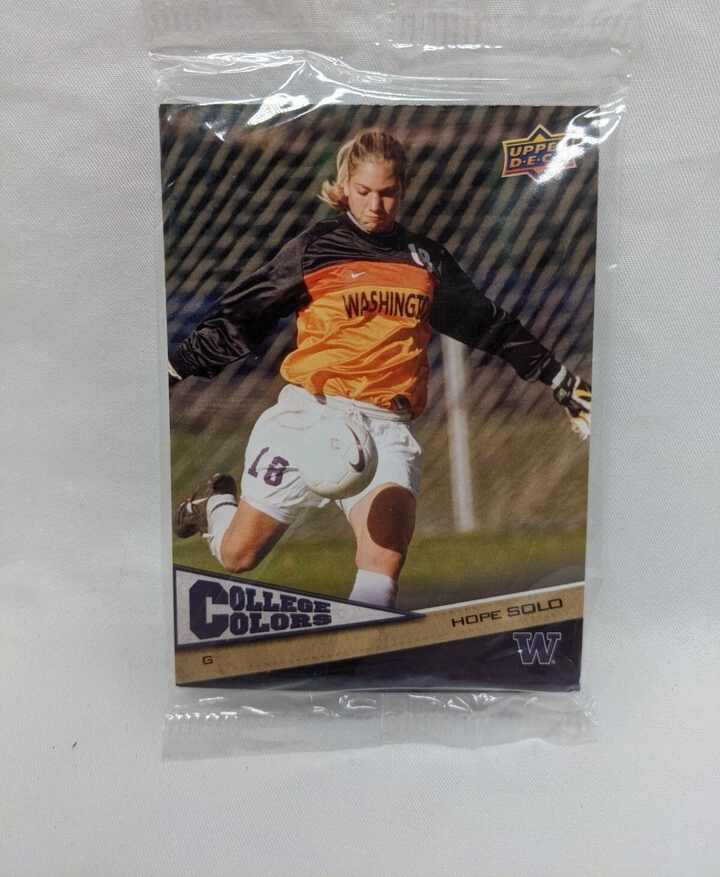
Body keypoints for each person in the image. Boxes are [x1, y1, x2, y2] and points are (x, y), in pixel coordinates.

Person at [168, 129, 591, 609]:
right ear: (345, 185)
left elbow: (488, 324)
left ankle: (357, 647)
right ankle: (214, 505)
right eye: (364, 191)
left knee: (382, 562)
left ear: (403, 190)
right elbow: (244, 314)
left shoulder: (425, 260)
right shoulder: (316, 248)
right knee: (238, 555)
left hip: (385, 430)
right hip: (310, 418)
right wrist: (174, 368)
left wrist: (560, 380)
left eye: (387, 193)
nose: (375, 205)